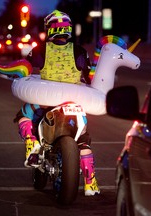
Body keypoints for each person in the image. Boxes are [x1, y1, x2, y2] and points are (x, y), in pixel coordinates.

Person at [13, 10, 100, 196]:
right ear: (68, 29)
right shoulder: (80, 51)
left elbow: (26, 69)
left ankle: (31, 143)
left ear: (49, 29)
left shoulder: (40, 50)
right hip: (74, 102)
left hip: (46, 103)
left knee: (23, 114)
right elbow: (89, 77)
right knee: (83, 141)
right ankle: (90, 182)